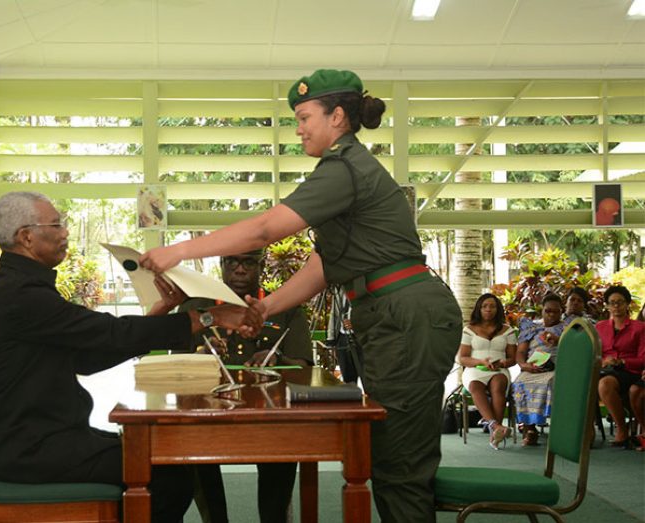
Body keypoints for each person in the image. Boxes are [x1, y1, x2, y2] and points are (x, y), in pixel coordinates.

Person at [139, 69, 463, 522]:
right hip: (391, 313)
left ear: (337, 117)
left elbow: (266, 228)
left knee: (399, 463)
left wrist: (177, 250)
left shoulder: (344, 166)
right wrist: (266, 307)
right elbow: (324, 265)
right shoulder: (345, 169)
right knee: (390, 457)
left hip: (403, 313)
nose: (298, 127)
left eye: (305, 116)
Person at [0, 191, 262, 522]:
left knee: (167, 459)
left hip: (42, 439)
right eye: (57, 224)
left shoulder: (19, 287)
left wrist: (159, 314)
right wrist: (207, 317)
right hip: (33, 450)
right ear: (26, 236)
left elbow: (85, 358)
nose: (65, 232)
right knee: (170, 478)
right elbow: (110, 333)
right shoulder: (22, 296)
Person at [178, 249, 313, 523]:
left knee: (284, 448)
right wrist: (201, 355)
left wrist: (277, 358)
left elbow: (304, 367)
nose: (240, 270)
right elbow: (176, 366)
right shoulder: (195, 309)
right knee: (191, 450)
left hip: (270, 415)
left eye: (248, 262)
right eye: (232, 262)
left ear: (261, 266)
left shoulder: (285, 308)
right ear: (222, 264)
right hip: (207, 414)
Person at [458, 293, 517, 450]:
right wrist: (480, 362)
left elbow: (513, 358)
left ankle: (495, 431)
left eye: (492, 306)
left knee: (498, 385)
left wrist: (503, 362)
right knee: (475, 386)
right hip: (475, 369)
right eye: (485, 306)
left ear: (498, 309)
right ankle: (496, 426)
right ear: (479, 309)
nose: (488, 309)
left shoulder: (507, 330)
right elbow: (462, 358)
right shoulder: (469, 330)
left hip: (499, 369)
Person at [512, 293, 565, 447]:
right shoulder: (532, 328)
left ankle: (557, 429)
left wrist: (558, 340)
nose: (551, 314)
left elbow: (575, 348)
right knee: (519, 382)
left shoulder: (566, 328)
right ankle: (529, 429)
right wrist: (524, 365)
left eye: (555, 311)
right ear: (542, 310)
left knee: (549, 382)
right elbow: (520, 353)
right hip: (532, 367)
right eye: (548, 311)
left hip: (557, 367)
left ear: (561, 312)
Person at [594, 285, 645, 448]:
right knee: (585, 382)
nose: (616, 306)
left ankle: (622, 430)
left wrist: (622, 362)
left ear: (627, 304)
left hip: (631, 371)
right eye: (612, 303)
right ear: (607, 305)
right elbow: (595, 354)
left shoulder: (640, 328)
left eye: (620, 302)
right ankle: (585, 432)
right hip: (605, 369)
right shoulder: (599, 327)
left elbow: (643, 359)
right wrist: (604, 361)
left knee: (605, 384)